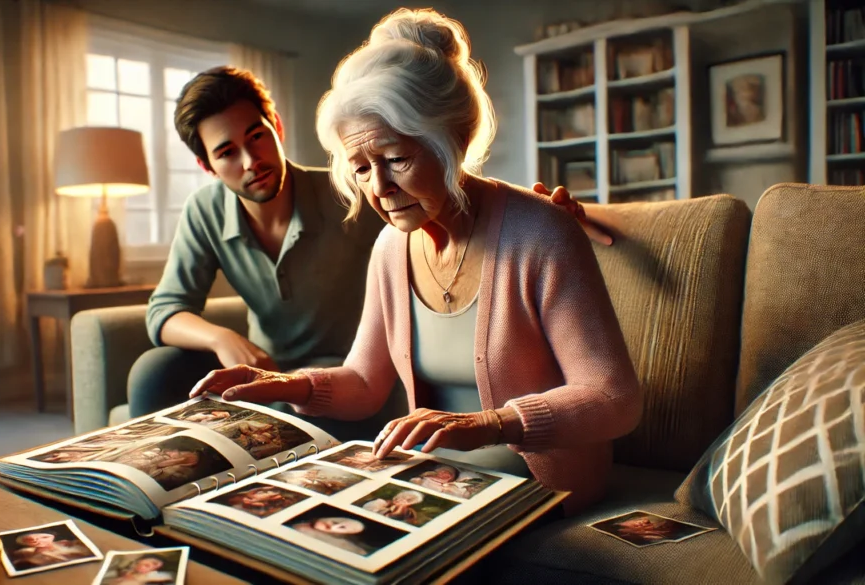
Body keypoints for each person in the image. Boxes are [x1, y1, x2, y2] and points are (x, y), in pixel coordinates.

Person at [189, 9, 640, 514]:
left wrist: (488, 424)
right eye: (361, 169)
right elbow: (364, 383)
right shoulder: (390, 248)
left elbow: (613, 397)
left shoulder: (540, 232)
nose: (379, 189)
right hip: (441, 477)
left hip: (545, 482)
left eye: (396, 160)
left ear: (450, 142)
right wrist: (286, 385)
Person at [129, 66, 610, 441]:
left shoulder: (354, 192)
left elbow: (437, 204)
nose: (251, 162)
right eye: (227, 152)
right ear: (206, 166)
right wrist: (221, 339)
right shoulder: (205, 211)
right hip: (269, 369)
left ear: (276, 125)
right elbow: (166, 310)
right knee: (156, 370)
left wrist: (536, 213)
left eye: (256, 137)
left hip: (349, 368)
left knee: (288, 415)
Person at [11, 532, 93, 569]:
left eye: (44, 537)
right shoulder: (24, 553)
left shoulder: (69, 547)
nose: (38, 541)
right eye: (30, 540)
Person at [103, 554, 175, 584]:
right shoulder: (119, 561)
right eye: (154, 563)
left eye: (155, 569)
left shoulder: (140, 580)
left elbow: (170, 575)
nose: (151, 567)